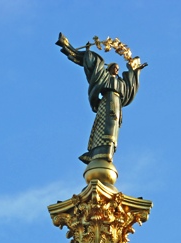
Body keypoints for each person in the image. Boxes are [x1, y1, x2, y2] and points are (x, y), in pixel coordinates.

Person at [56, 33, 145, 164]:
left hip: (116, 104)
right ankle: (96, 151)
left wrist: (135, 70)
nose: (116, 69)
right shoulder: (104, 77)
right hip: (106, 102)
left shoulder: (121, 84)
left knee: (113, 127)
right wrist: (88, 53)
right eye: (114, 67)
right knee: (104, 126)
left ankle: (107, 151)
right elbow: (95, 67)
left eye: (118, 68)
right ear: (109, 69)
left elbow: (131, 86)